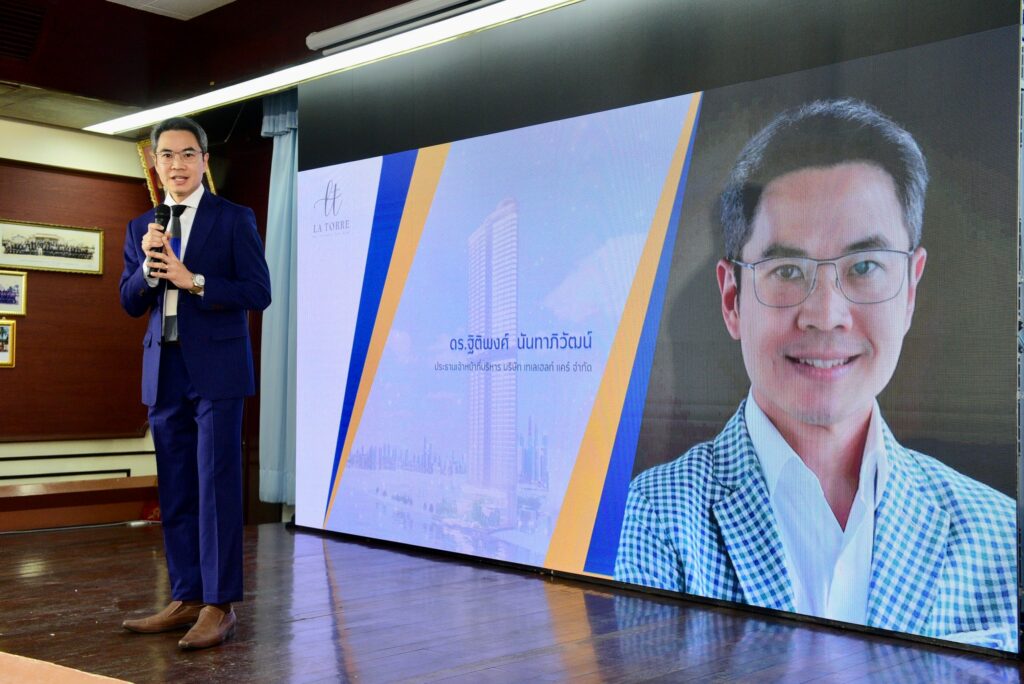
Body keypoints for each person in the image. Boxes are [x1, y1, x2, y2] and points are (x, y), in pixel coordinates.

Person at [614, 99, 1017, 650]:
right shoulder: (654, 517)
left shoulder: (1001, 534)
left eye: (865, 267)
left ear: (910, 290)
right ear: (732, 299)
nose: (826, 315)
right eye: (787, 271)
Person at [118, 116, 271, 650]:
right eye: (167, 155)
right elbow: (128, 300)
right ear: (155, 163)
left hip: (218, 371)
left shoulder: (234, 218)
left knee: (216, 485)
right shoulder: (143, 227)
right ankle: (186, 596)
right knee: (178, 487)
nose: (177, 164)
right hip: (165, 370)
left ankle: (219, 605)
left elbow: (258, 291)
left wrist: (194, 280)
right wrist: (148, 270)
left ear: (204, 161)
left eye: (188, 154)